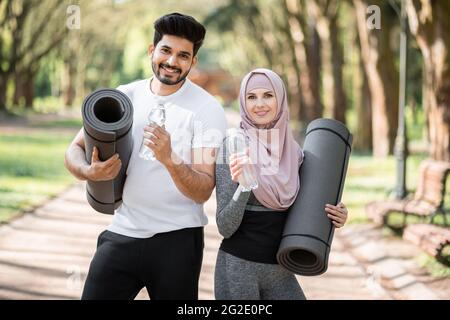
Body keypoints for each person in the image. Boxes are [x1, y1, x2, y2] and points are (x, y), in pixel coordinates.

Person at [64, 13, 227, 300]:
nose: (172, 61)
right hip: (123, 231)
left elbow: (202, 190)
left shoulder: (207, 109)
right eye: (166, 50)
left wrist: (170, 159)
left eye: (183, 55)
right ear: (152, 51)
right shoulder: (124, 96)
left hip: (177, 242)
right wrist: (88, 172)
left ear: (193, 61)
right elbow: (74, 150)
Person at [214, 68, 348, 300]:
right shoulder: (234, 145)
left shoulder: (294, 152)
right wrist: (246, 186)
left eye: (268, 95)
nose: (259, 104)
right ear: (243, 103)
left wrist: (336, 215)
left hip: (279, 270)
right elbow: (224, 226)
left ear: (280, 98)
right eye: (251, 97)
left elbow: (306, 206)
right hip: (238, 268)